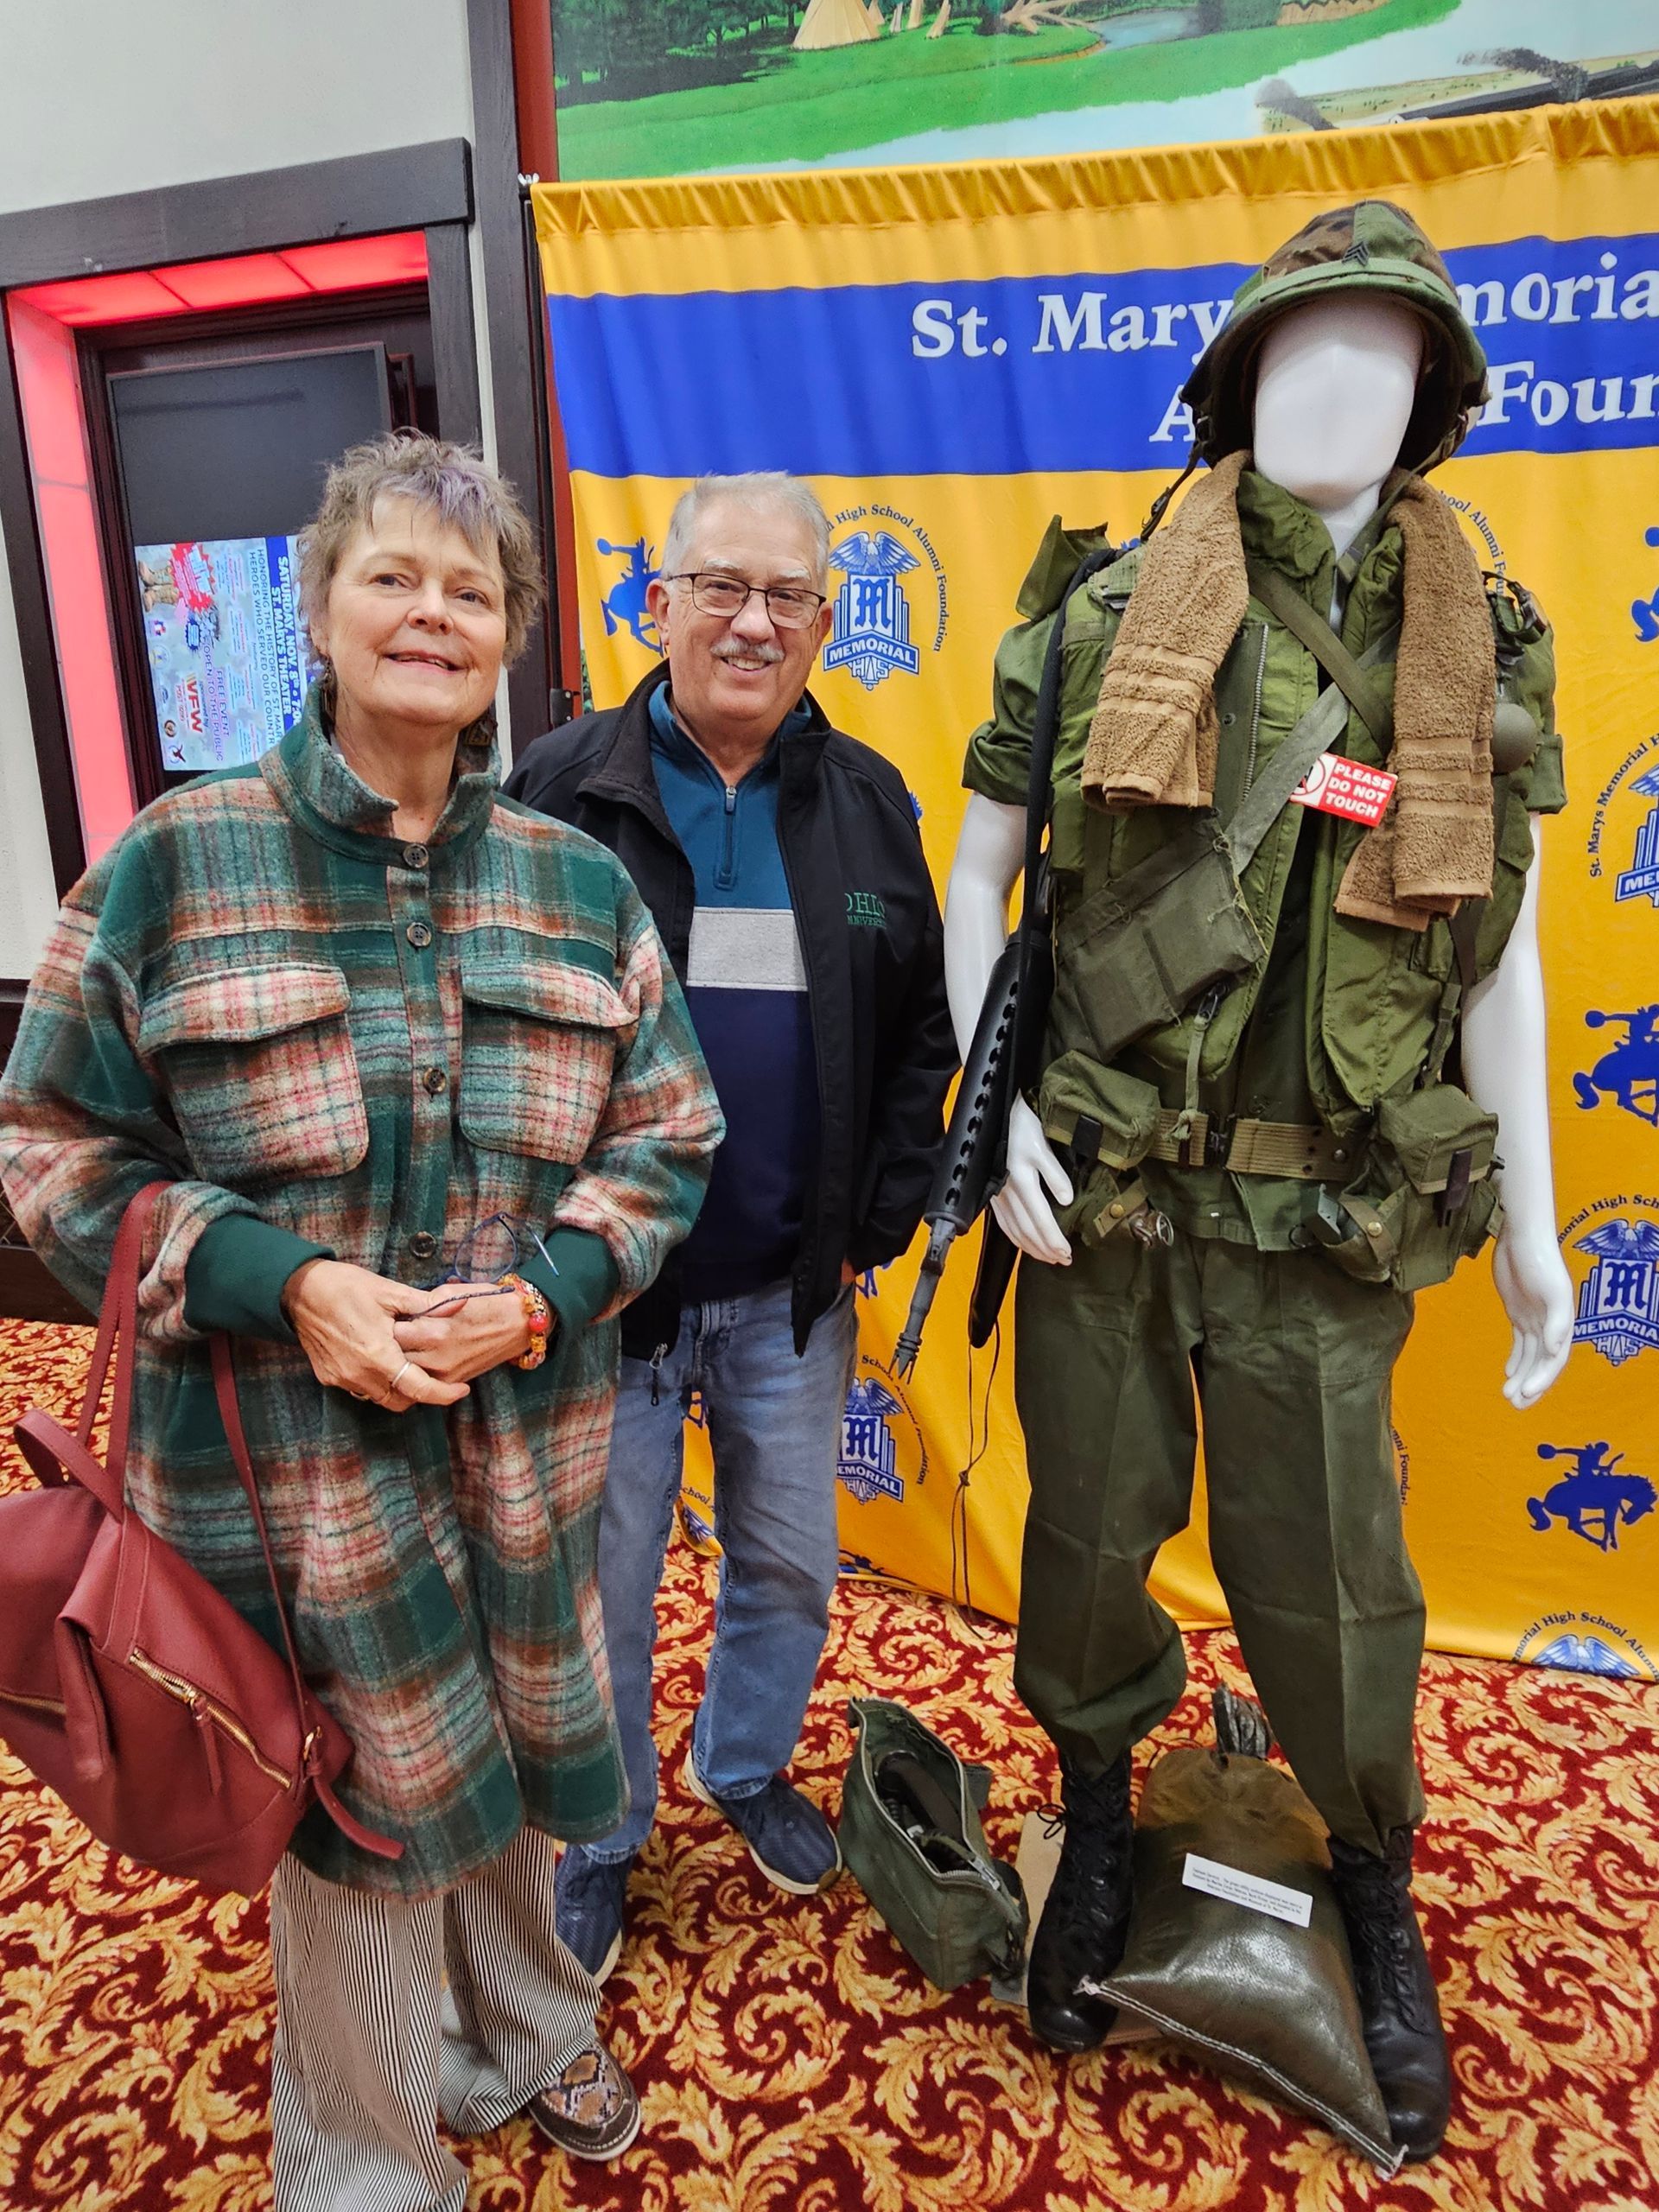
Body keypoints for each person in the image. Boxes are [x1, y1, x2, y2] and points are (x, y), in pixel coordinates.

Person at [0, 433, 724, 2212]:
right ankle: (369, 2150)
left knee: (533, 1773)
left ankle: (535, 2026)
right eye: (391, 574)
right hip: (291, 1481)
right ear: (318, 609)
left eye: (471, 589)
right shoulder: (177, 861)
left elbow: (670, 1131)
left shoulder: (576, 883)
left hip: (527, 1454)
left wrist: (548, 1290)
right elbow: (50, 1144)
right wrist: (285, 1280)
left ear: (511, 641)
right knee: (361, 1819)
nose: (432, 611)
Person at [944, 204, 1569, 2160]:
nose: (1341, 386)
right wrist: (1001, 1111)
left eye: (1386, 359)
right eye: (1303, 351)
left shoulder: (1482, 641)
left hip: (1329, 1212)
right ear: (1228, 388)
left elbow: (1500, 948)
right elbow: (985, 873)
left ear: (1435, 406)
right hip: (1113, 1192)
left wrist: (1537, 1229)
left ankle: (1371, 1870)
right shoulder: (1108, 608)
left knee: (1336, 1579)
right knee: (1090, 1529)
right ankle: (1103, 1808)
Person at [506, 470, 956, 1980]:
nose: (753, 623)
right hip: (606, 1298)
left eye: (787, 597)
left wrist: (872, 1223)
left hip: (789, 1296)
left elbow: (917, 1043)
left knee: (785, 1564)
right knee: (607, 1589)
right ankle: (608, 1828)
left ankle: (747, 1765)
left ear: (826, 622)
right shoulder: (559, 791)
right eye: (722, 588)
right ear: (659, 602)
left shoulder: (870, 802)